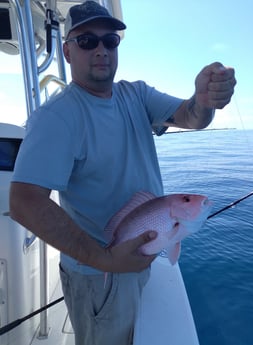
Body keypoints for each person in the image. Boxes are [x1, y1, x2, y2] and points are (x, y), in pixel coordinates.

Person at [9, 1, 236, 344]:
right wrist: (106, 260)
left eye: (110, 41)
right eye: (87, 41)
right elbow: (24, 201)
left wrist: (204, 100)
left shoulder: (136, 95)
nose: (101, 49)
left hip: (136, 258)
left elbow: (190, 116)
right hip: (98, 273)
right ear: (68, 52)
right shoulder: (57, 117)